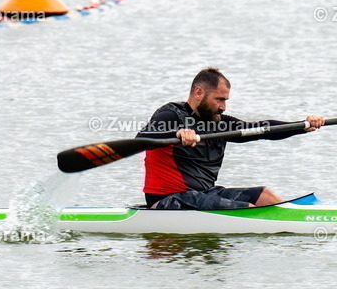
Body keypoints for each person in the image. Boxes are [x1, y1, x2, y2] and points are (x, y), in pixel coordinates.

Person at [137, 68, 324, 210]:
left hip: (204, 194)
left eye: (225, 100)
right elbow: (141, 139)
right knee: (246, 210)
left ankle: (297, 220)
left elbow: (262, 129)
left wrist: (303, 125)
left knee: (263, 195)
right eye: (219, 99)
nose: (223, 107)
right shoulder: (170, 115)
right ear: (199, 93)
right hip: (167, 200)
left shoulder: (220, 123)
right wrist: (176, 134)